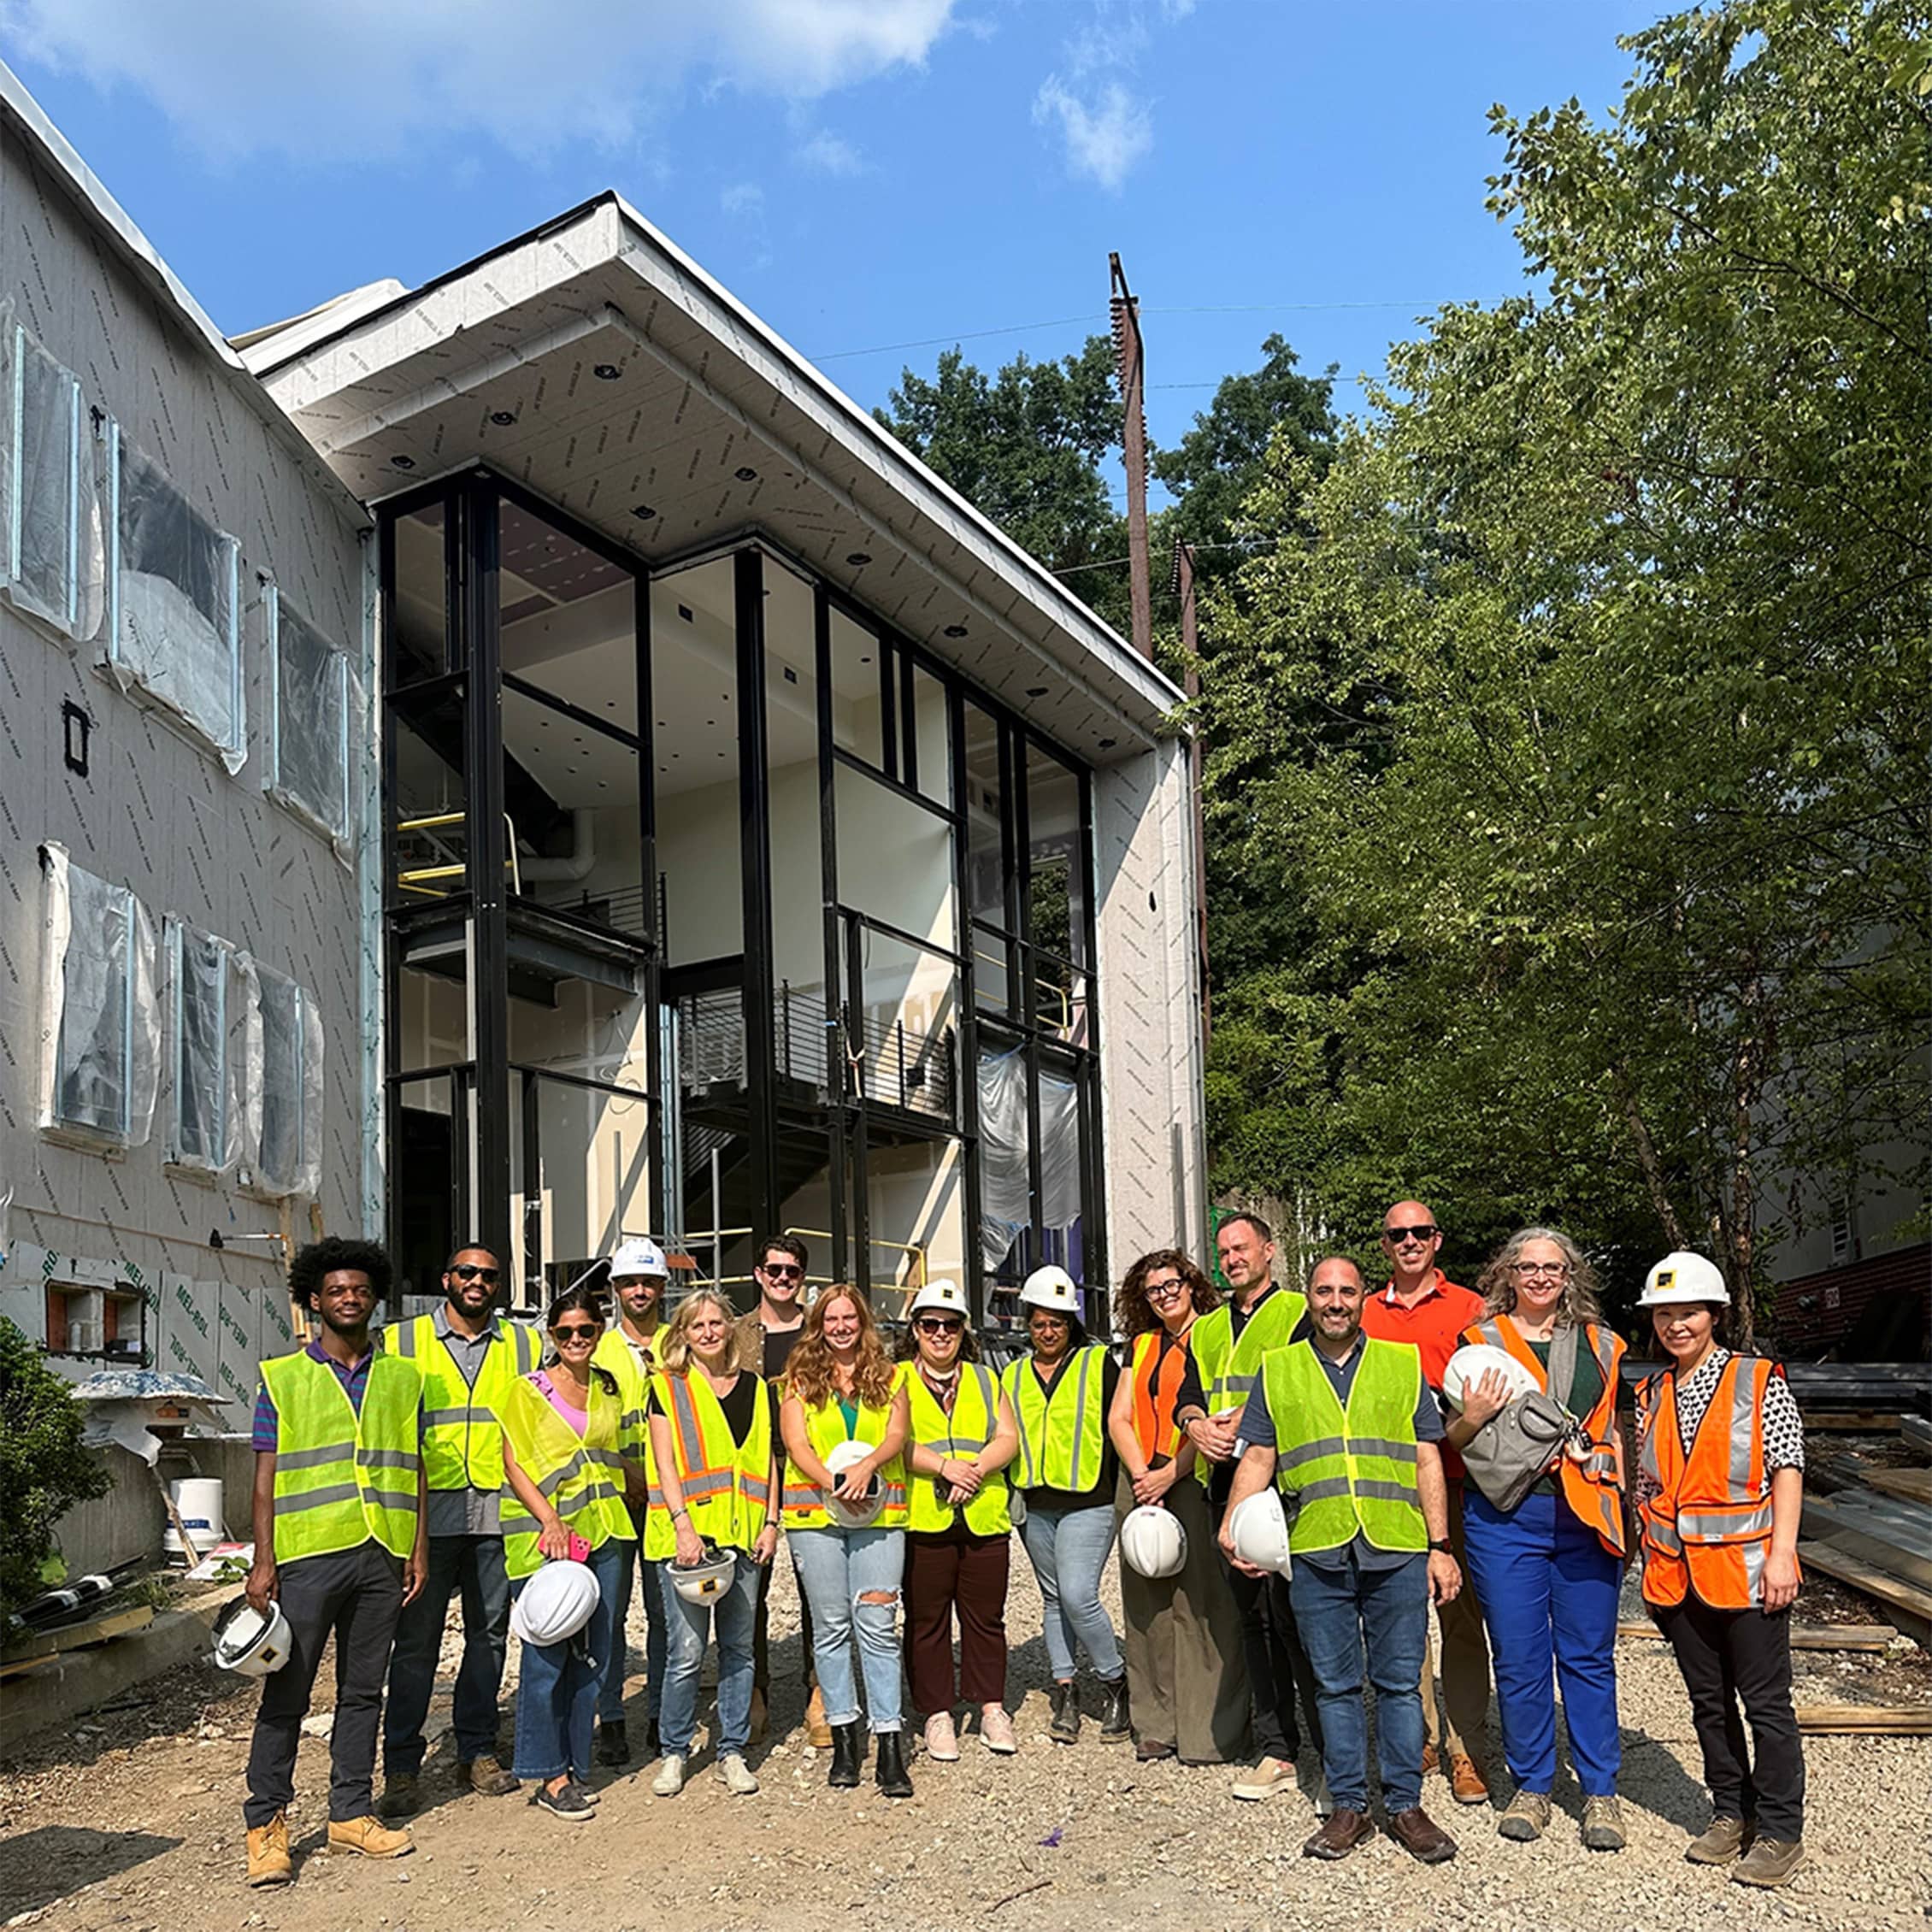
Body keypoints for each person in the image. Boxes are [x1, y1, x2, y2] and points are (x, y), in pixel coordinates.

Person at [1219, 1256, 1462, 1864]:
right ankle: (1349, 1806)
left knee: (1401, 1684)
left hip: (1397, 1547)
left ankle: (1405, 1805)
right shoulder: (1278, 1371)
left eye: (1347, 1291)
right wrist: (1232, 1524)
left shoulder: (1401, 1365)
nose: (1335, 1301)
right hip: (1317, 1547)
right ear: (1309, 1298)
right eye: (1324, 1291)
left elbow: (1427, 1458)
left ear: (1362, 1300)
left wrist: (1440, 1547)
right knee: (1333, 1685)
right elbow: (1258, 1457)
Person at [242, 1239, 427, 1888]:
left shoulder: (404, 1377)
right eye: (337, 1291)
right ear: (315, 1301)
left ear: (374, 1298)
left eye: (361, 1290)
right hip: (308, 1555)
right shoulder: (282, 1377)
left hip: (383, 1552)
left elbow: (416, 1467)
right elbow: (263, 1479)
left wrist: (418, 1547)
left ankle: (351, 1813)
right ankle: (266, 1826)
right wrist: (262, 1562)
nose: (350, 1298)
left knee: (361, 1692)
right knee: (287, 1694)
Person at [1444, 1226, 1628, 1852]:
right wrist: (1470, 1416)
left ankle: (1601, 1792)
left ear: (1570, 1275)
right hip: (1504, 1520)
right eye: (1529, 1267)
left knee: (1588, 1657)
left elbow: (1615, 1436)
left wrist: (1625, 1504)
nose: (1541, 1278)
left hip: (1584, 1518)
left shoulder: (1604, 1346)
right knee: (1520, 1661)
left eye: (1553, 1268)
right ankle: (1533, 1785)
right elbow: (1456, 1441)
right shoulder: (1477, 1344)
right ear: (1508, 1275)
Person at [1634, 1252, 1807, 1888]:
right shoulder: (1651, 1392)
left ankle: (1782, 1832)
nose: (1675, 1325)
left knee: (1766, 1705)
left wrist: (1785, 1553)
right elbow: (1653, 1486)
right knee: (1709, 1705)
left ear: (1714, 1315)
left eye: (1688, 1313)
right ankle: (1731, 1812)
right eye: (1664, 1315)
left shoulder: (1758, 1380)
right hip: (1677, 1580)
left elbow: (1788, 1465)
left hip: (1750, 1573)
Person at [379, 1243, 535, 1816]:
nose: (477, 1282)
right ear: (447, 1279)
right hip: (428, 1517)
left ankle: (477, 1750)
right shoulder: (401, 1341)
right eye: (467, 1273)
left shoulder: (525, 1343)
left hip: (498, 1510)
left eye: (489, 1276)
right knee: (415, 1644)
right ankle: (400, 1766)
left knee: (489, 1636)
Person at [1171, 1212, 1316, 1801]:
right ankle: (1278, 1748)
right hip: (1223, 1486)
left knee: (1298, 1620)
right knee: (1253, 1622)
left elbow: (1307, 1386)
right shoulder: (1205, 1327)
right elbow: (1189, 1393)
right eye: (1224, 1251)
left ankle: (1330, 1754)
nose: (1232, 1259)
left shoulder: (1298, 1314)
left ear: (1269, 1251)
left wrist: (1248, 1420)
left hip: (1283, 1487)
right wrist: (1195, 1423)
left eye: (1242, 1248)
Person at [1359, 1202, 1492, 1805]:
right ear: (1385, 1246)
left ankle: (1467, 1748)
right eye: (1397, 1234)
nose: (1409, 1241)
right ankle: (1420, 1737)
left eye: (1420, 1232)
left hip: (1460, 1483)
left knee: (1460, 1620)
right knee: (1401, 1622)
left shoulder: (1470, 1309)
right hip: (1389, 1490)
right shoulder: (1363, 1312)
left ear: (1436, 1240)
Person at [499, 1284, 638, 1823]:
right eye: (565, 1332)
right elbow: (514, 1464)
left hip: (605, 1532)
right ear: (551, 1336)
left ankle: (576, 1765)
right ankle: (548, 1774)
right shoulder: (527, 1390)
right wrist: (550, 1521)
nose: (576, 1339)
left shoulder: (607, 1388)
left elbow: (623, 1457)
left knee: (596, 1656)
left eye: (586, 1330)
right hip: (548, 1539)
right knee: (547, 1657)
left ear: (598, 1333)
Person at [1104, 1248, 1247, 1765]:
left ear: (1192, 1285)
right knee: (1146, 1603)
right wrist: (1143, 1472)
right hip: (1140, 1474)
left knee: (1201, 1605)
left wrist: (1171, 1472)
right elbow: (1119, 1416)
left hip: (1192, 1474)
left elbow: (1213, 1415)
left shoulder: (1214, 1336)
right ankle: (1155, 1722)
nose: (1164, 1296)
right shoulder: (1139, 1346)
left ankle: (1208, 1729)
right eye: (1153, 1290)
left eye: (1173, 1285)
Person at [779, 1286, 916, 1796]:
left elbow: (896, 1435)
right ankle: (843, 1738)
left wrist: (867, 1468)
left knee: (877, 1626)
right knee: (832, 1628)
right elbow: (796, 1443)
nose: (840, 1326)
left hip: (879, 1515)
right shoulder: (798, 1379)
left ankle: (889, 1742)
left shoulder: (891, 1375)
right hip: (816, 1515)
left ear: (863, 1322)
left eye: (848, 1318)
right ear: (819, 1324)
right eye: (830, 1318)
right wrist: (834, 1480)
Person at [647, 1292, 780, 1798]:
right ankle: (675, 1751)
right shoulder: (668, 1387)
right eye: (696, 1324)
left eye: (716, 1323)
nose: (707, 1332)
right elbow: (664, 1464)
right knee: (685, 1652)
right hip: (688, 1540)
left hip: (745, 1536)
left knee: (739, 1648)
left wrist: (771, 1522)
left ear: (731, 1328)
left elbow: (767, 1460)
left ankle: (731, 1750)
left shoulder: (757, 1388)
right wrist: (683, 1526)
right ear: (682, 1333)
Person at [999, 1264, 1128, 1746]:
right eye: (1039, 1322)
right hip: (1034, 1502)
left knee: (1078, 1594)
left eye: (1056, 1321)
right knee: (1052, 1599)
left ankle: (1115, 1681)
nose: (1047, 1331)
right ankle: (1066, 1688)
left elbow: (1122, 1423)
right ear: (1027, 1324)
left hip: (1089, 1499)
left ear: (1070, 1322)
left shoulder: (1098, 1365)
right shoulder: (1011, 1375)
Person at [896, 1279, 1021, 1759]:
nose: (941, 1333)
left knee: (986, 1618)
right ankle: (936, 1713)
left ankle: (991, 1708)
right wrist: (943, 1467)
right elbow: (893, 1442)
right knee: (927, 1620)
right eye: (930, 1324)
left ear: (963, 1330)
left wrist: (976, 1469)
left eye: (950, 1325)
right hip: (924, 1519)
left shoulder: (987, 1379)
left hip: (984, 1516)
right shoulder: (896, 1379)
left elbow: (1007, 1437)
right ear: (916, 1329)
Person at [734, 1233, 825, 1748]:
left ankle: (820, 1691)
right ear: (758, 1274)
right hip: (753, 1470)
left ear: (801, 1277)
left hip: (811, 1465)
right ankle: (754, 1691)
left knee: (819, 1586)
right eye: (774, 1271)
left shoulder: (823, 1328)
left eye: (792, 1271)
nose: (783, 1279)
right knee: (751, 1589)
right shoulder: (735, 1333)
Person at [590, 1237, 670, 1766]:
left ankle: (665, 1711)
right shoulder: (594, 1347)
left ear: (662, 1287)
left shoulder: (680, 1342)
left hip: (670, 1496)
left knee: (666, 1613)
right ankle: (611, 1716)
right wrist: (627, 1473)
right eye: (629, 1283)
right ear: (616, 1289)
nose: (639, 1291)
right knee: (610, 1613)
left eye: (648, 1282)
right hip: (615, 1496)